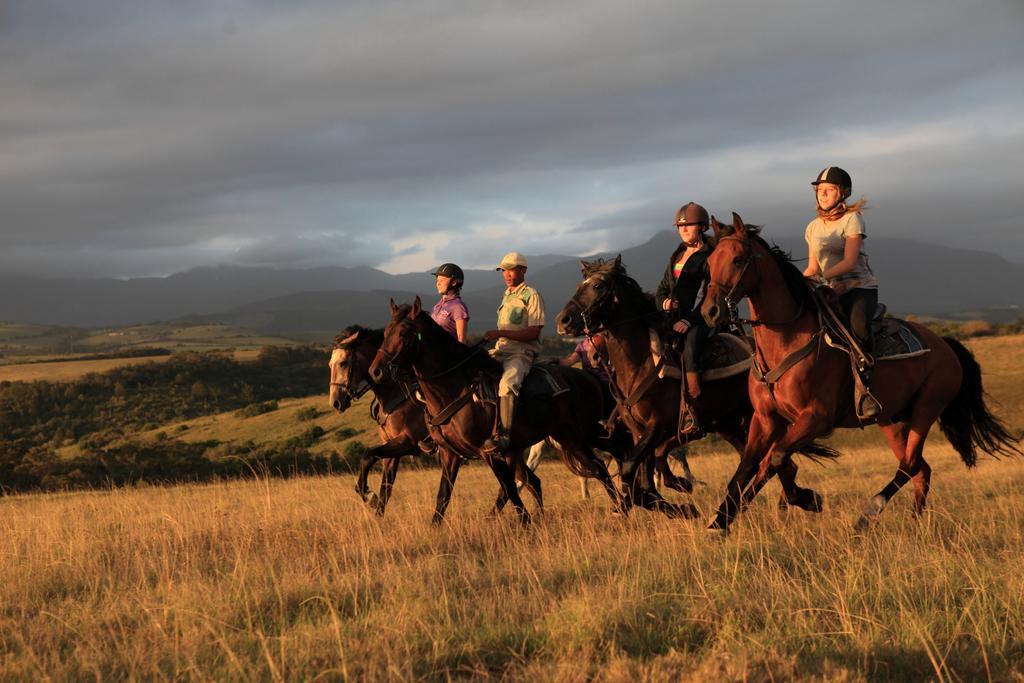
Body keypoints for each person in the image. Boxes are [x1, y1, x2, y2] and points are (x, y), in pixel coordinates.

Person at [802, 165, 881, 419]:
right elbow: (813, 267)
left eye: (828, 190)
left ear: (842, 193)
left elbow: (848, 262)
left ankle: (866, 389)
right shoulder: (812, 227)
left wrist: (823, 278)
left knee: (857, 327)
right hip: (828, 291)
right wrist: (796, 281)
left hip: (859, 288)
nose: (822, 195)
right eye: (820, 190)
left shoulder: (852, 220)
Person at [655, 202, 713, 435]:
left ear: (702, 227)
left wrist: (689, 320)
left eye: (689, 225)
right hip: (672, 319)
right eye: (681, 226)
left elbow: (708, 294)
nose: (684, 229)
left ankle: (692, 407)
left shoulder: (711, 255)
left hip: (702, 320)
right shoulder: (677, 254)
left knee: (689, 347)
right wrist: (665, 303)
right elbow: (661, 289)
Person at [481, 252, 546, 454]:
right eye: (504, 270)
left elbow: (534, 332)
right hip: (501, 350)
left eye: (511, 269)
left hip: (521, 352)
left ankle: (504, 436)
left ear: (523, 270)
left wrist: (499, 332)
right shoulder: (507, 295)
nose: (507, 274)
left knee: (508, 384)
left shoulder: (531, 295)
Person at [430, 263, 470, 343]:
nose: (438, 283)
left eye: (442, 280)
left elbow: (461, 339)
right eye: (437, 280)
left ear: (454, 282)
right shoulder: (437, 306)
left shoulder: (458, 306)